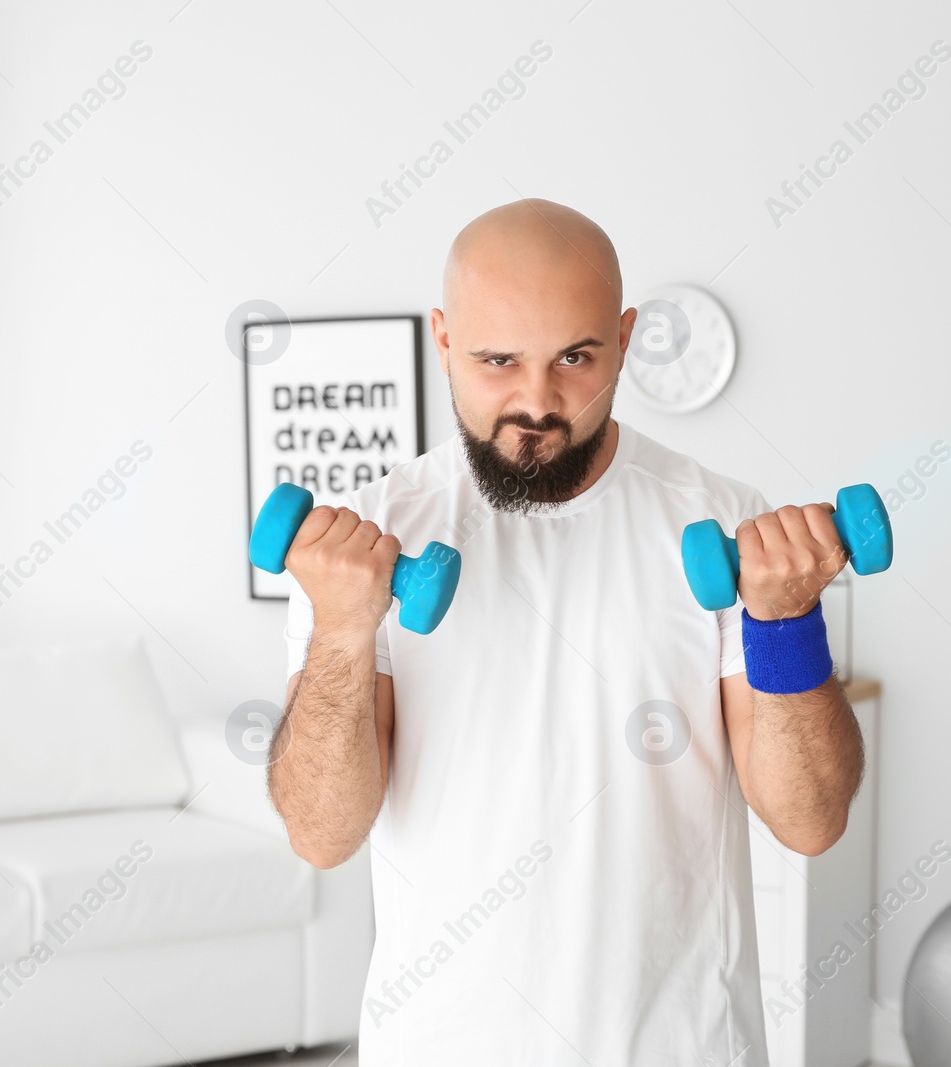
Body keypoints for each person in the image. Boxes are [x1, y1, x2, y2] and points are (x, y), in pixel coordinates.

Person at [268, 198, 865, 1066]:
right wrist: (342, 634)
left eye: (574, 358)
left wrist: (786, 620)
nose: (536, 403)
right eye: (497, 360)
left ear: (624, 339)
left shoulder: (724, 521)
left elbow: (810, 822)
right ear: (443, 340)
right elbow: (321, 836)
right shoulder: (365, 541)